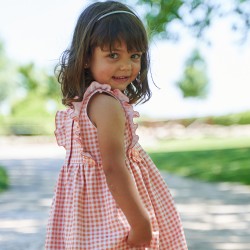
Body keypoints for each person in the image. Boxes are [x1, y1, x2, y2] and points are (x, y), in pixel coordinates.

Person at [45, 1, 188, 249]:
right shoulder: (107, 104)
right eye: (113, 55)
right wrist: (141, 223)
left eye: (134, 56)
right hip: (114, 214)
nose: (125, 66)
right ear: (86, 57)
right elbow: (113, 167)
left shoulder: (85, 102)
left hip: (87, 216)